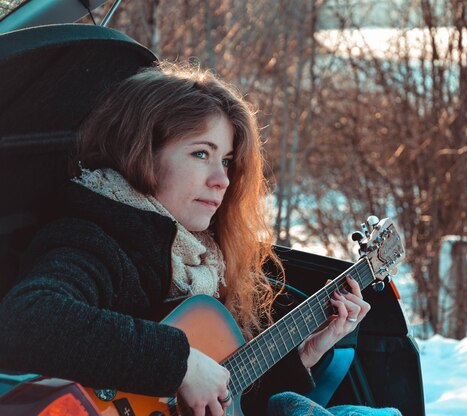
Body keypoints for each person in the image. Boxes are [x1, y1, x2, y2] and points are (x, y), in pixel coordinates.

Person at [0, 62, 400, 416]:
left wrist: (309, 351)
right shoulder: (92, 236)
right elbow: (25, 321)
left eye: (226, 160)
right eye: (200, 154)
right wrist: (182, 364)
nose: (222, 179)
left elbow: (225, 399)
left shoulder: (200, 260)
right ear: (141, 151)